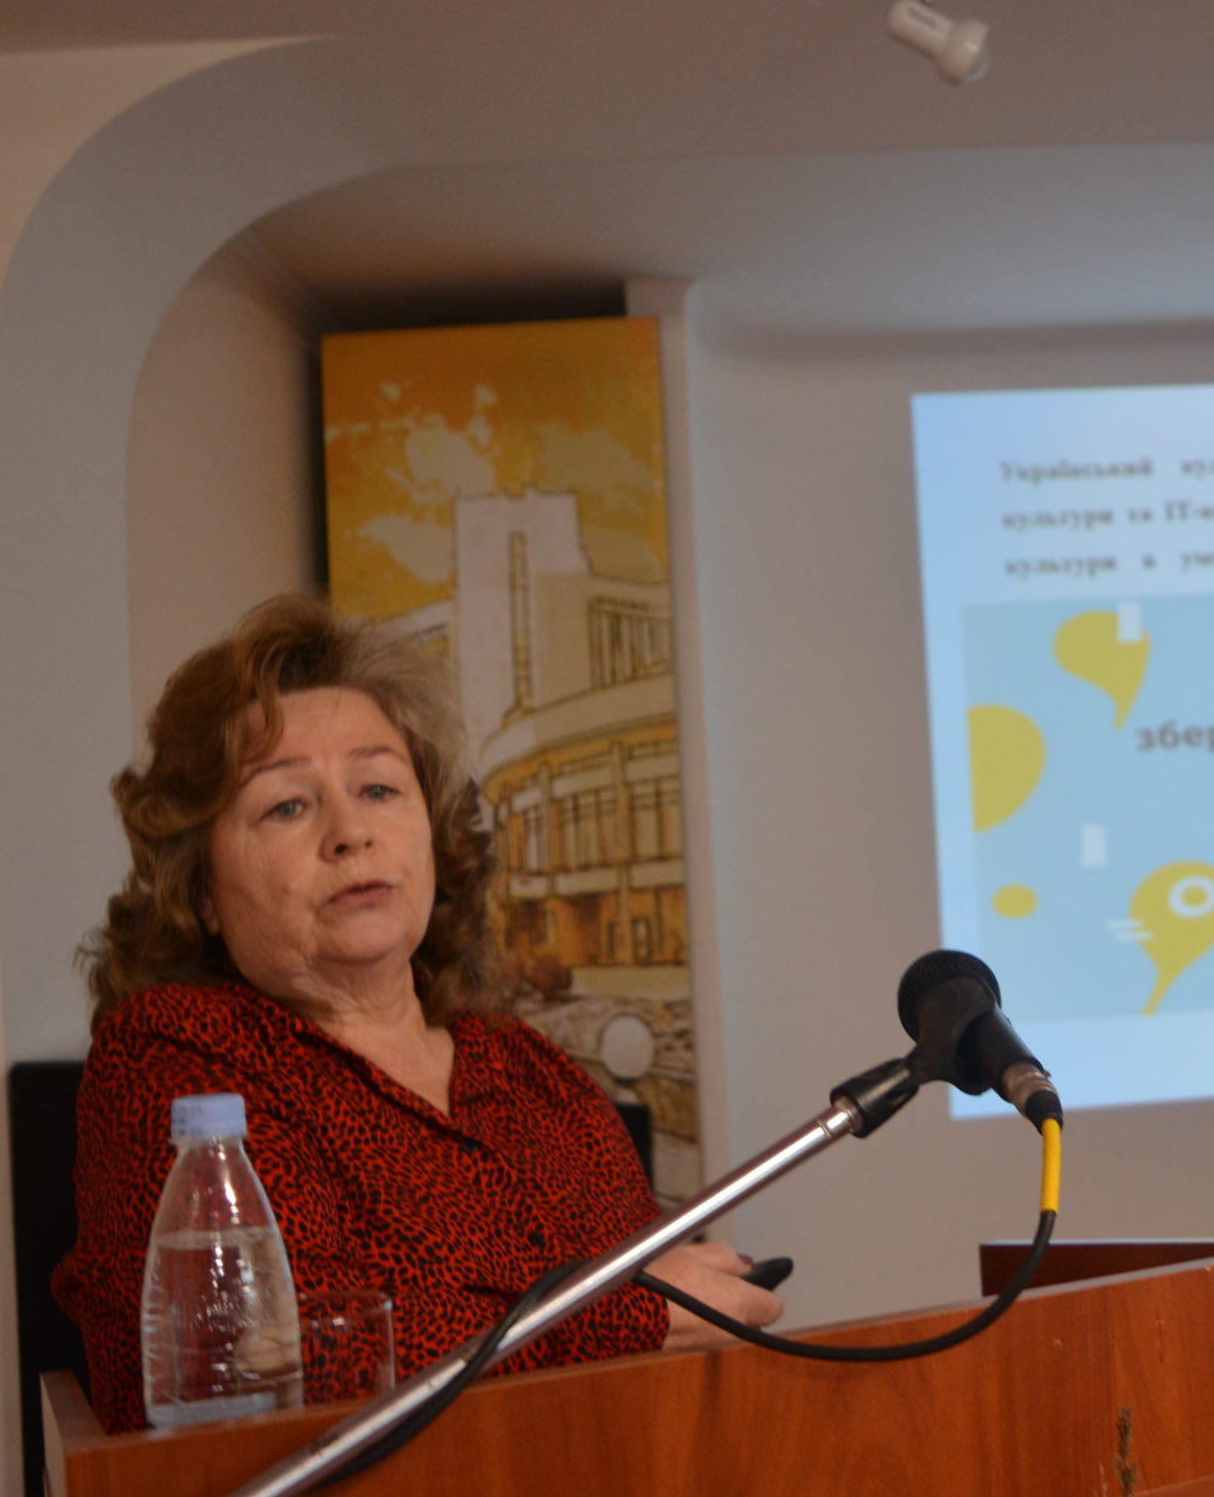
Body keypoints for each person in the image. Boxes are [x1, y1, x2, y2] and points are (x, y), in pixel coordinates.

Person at [52, 594, 780, 1431]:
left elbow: (672, 1318)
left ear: (432, 835)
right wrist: (626, 1318)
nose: (350, 831)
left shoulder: (527, 1069)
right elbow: (279, 1358)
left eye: (378, 788)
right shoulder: (177, 1061)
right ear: (202, 889)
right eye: (287, 805)